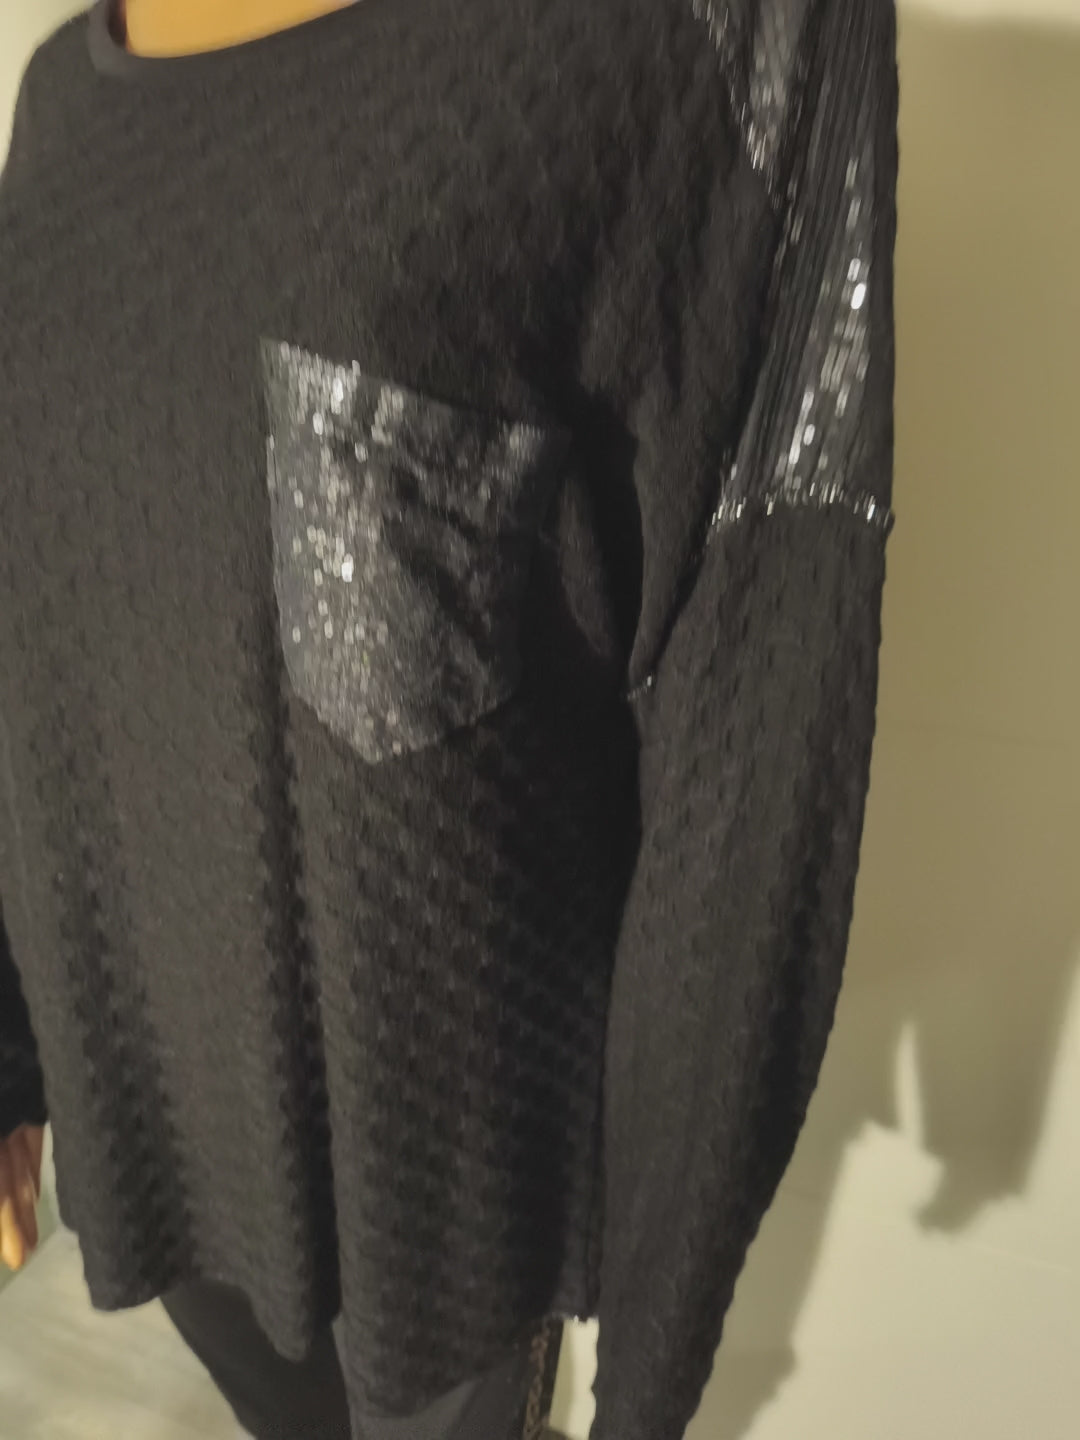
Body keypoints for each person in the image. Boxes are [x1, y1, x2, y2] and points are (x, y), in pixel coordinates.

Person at [0, 2, 899, 1437]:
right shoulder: (57, 98)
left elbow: (753, 711)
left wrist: (654, 1360)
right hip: (157, 1091)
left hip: (433, 1191)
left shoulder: (696, 36)